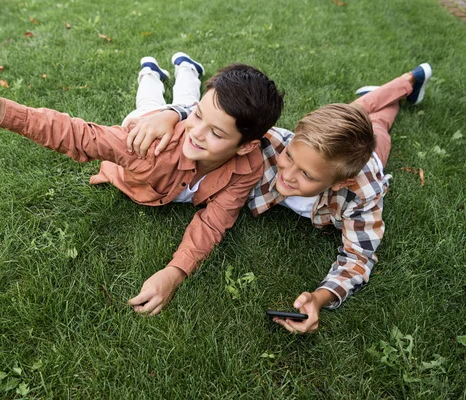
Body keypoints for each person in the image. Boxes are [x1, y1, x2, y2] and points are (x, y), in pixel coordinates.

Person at [0, 53, 284, 316]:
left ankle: (186, 68)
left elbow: (214, 221)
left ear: (246, 145)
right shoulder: (147, 147)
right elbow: (78, 135)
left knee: (172, 106)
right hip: (143, 128)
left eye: (216, 132)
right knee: (147, 104)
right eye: (198, 116)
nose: (197, 133)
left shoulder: (248, 165)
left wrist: (174, 272)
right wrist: (2, 110)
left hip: (173, 123)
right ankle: (150, 71)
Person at [125, 63, 432, 331]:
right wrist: (170, 113)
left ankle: (404, 87)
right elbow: (222, 119)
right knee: (355, 113)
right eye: (289, 157)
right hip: (336, 148)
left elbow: (358, 259)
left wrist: (319, 298)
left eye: (308, 176)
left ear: (340, 182)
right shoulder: (274, 143)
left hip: (370, 161)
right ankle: (403, 82)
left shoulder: (361, 192)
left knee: (379, 128)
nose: (288, 174)